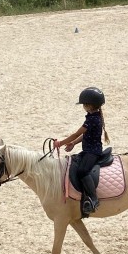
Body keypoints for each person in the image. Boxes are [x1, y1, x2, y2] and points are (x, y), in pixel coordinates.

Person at [54, 87, 111, 215]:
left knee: (82, 171)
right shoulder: (93, 116)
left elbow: (76, 134)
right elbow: (84, 135)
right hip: (88, 150)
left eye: (84, 105)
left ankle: (94, 198)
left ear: (89, 106)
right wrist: (73, 143)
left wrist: (60, 143)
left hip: (93, 151)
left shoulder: (92, 120)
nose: (83, 107)